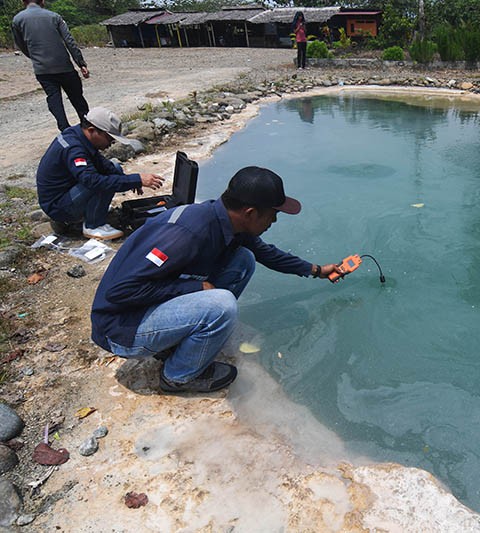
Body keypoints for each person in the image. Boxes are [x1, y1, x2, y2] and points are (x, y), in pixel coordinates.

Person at [90, 166, 346, 393]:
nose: (274, 220)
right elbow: (120, 291)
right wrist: (194, 287)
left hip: (140, 312)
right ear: (250, 212)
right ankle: (177, 377)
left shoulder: (223, 220)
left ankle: (186, 341)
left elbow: (266, 254)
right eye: (272, 214)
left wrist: (316, 270)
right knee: (221, 305)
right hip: (121, 331)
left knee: (243, 259)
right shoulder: (187, 234)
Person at [37, 107, 164, 240]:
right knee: (100, 181)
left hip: (67, 194)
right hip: (59, 207)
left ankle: (93, 212)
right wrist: (136, 180)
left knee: (115, 168)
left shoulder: (77, 134)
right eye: (109, 138)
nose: (111, 143)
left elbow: (103, 164)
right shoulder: (74, 149)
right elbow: (92, 181)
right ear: (92, 131)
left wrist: (130, 180)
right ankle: (93, 226)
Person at [12, 0, 91, 132]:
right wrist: (81, 63)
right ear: (42, 1)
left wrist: (35, 57)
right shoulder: (54, 16)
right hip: (64, 66)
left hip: (42, 69)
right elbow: (69, 41)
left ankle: (65, 129)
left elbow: (21, 45)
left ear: (22, 2)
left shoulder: (17, 20)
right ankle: (88, 126)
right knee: (77, 98)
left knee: (54, 98)